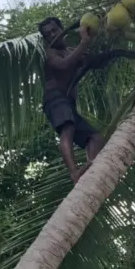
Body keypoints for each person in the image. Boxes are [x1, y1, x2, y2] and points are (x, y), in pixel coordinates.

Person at [38, 16, 106, 184]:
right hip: (54, 98)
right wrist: (83, 43)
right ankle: (74, 173)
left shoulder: (71, 50)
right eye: (48, 34)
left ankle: (91, 166)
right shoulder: (50, 53)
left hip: (68, 103)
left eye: (54, 30)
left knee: (95, 137)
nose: (52, 35)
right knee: (67, 128)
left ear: (63, 29)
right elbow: (63, 65)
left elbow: (94, 62)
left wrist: (98, 38)